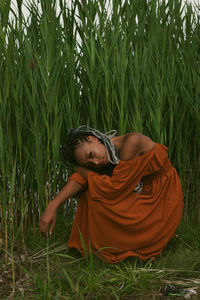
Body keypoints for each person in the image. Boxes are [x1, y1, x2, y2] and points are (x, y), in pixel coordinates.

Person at [39, 126, 183, 263]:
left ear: (93, 138)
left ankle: (129, 243)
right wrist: (53, 205)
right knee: (90, 191)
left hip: (161, 198)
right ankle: (111, 245)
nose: (95, 162)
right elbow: (80, 179)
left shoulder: (132, 142)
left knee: (98, 195)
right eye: (89, 164)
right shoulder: (107, 152)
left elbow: (114, 189)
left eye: (91, 155)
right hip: (145, 193)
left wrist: (82, 170)